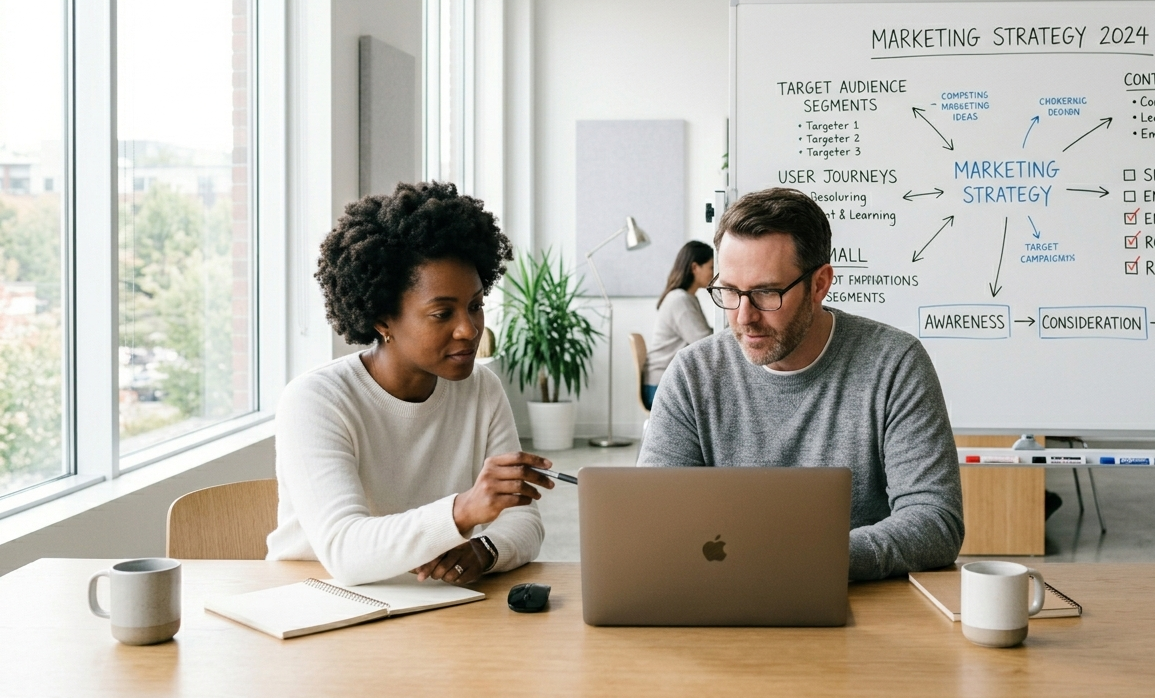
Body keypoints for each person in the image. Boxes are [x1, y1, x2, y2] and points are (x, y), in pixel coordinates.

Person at [638, 188, 964, 581]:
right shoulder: (692, 375)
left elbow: (935, 521)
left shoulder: (894, 364)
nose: (743, 317)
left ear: (819, 285)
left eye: (765, 293)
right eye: (729, 291)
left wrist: (813, 560)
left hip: (858, 607)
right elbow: (654, 519)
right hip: (720, 600)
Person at [266, 181, 557, 586]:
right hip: (317, 605)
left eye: (475, 306)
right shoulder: (316, 400)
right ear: (383, 319)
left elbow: (522, 518)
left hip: (430, 606)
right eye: (442, 314)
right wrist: (462, 512)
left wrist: (485, 550)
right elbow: (344, 550)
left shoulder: (481, 389)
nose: (469, 330)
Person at [641, 241, 714, 409]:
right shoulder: (680, 300)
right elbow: (704, 342)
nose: (715, 272)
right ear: (695, 267)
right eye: (711, 267)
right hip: (661, 386)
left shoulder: (685, 298)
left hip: (663, 382)